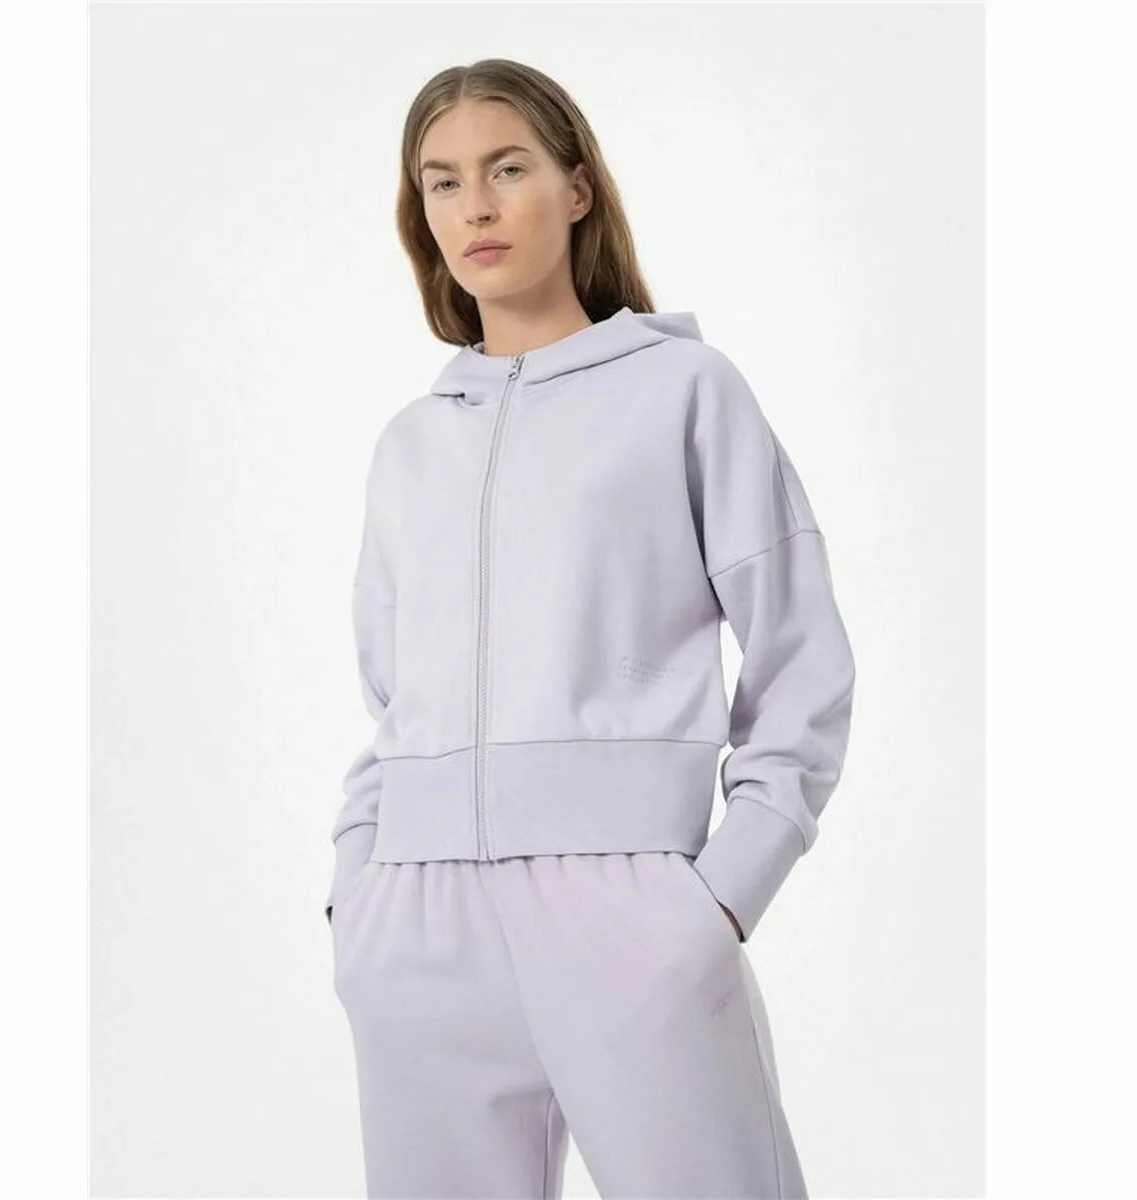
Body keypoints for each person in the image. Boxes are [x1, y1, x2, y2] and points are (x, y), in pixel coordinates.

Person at [325, 58, 856, 1200]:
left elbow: (802, 660)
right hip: (416, 926)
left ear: (576, 188)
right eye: (442, 181)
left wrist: (719, 900)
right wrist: (355, 894)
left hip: (628, 914)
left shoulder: (685, 391)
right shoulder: (411, 444)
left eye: (507, 168)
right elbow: (392, 700)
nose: (475, 205)